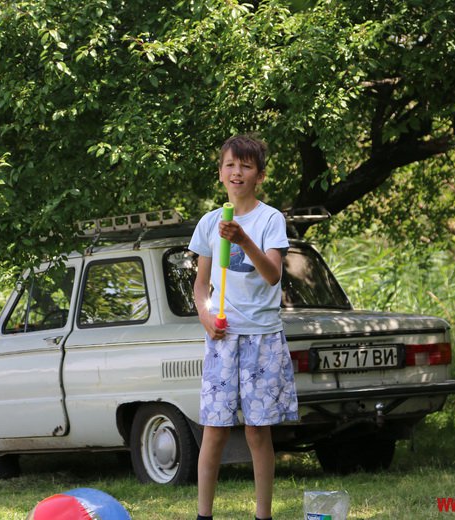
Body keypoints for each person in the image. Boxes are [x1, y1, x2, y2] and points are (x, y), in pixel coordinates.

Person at [189, 135, 298, 520]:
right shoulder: (209, 222)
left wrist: (243, 239)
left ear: (260, 175)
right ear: (221, 172)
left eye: (246, 166)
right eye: (230, 165)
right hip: (223, 339)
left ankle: (262, 515)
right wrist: (205, 317)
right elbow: (201, 286)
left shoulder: (270, 219)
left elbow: (271, 275)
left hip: (263, 338)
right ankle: (204, 515)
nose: (237, 172)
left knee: (256, 430)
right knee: (214, 429)